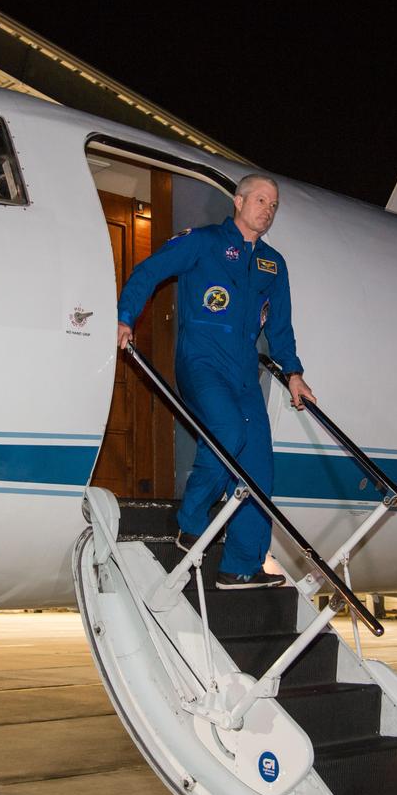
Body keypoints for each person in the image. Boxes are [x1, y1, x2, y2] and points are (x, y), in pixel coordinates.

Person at [116, 174, 315, 589]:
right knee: (225, 431)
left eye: (274, 205)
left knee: (258, 463)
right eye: (261, 200)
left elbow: (280, 326)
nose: (268, 209)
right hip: (201, 361)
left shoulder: (273, 264)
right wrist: (125, 317)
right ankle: (190, 520)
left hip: (244, 371)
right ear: (239, 202)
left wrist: (294, 373)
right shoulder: (202, 241)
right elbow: (149, 271)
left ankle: (240, 567)